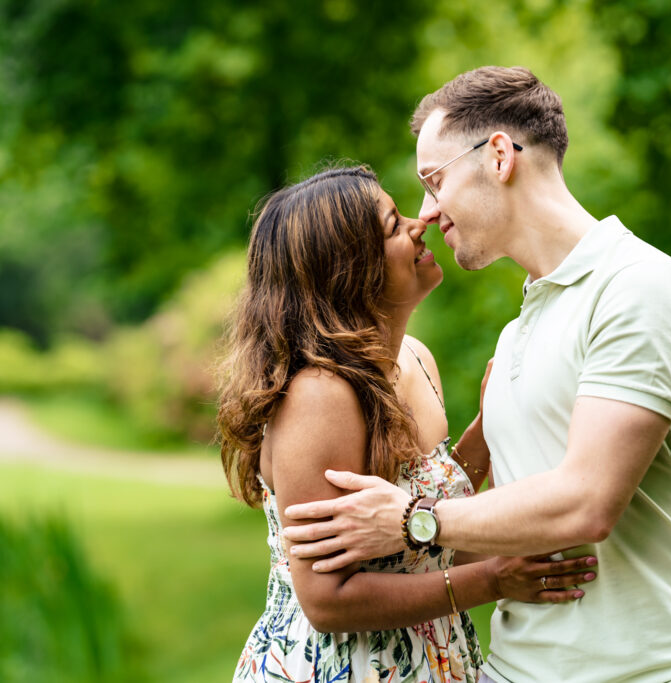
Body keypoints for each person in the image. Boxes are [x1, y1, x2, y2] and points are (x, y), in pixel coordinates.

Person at [282, 68, 671, 683]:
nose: (426, 212)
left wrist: (409, 520)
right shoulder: (514, 336)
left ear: (499, 155)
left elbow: (587, 504)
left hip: (655, 669)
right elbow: (505, 530)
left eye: (433, 180)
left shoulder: (637, 289)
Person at [216, 165, 597, 683]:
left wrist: (488, 428)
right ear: (351, 269)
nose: (421, 224)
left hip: (429, 659)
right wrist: (495, 579)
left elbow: (417, 527)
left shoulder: (414, 358)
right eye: (394, 226)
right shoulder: (320, 395)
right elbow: (328, 600)